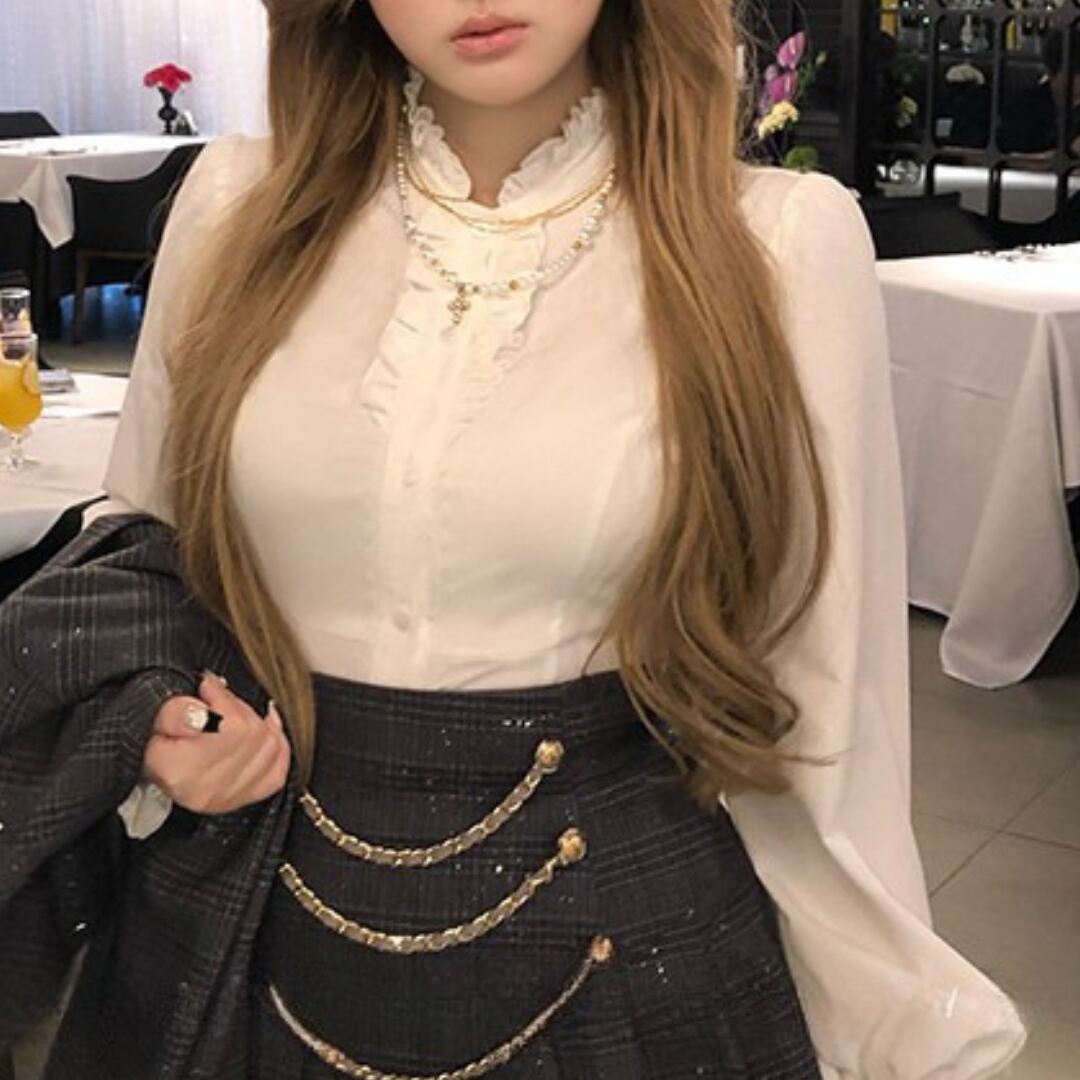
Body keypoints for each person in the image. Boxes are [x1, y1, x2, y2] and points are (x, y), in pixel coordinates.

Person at [0, 1, 1027, 1077]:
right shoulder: (236, 204)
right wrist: (161, 719)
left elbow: (825, 683)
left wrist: (900, 1030)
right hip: (240, 918)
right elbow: (151, 546)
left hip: (633, 944)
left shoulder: (774, 239)